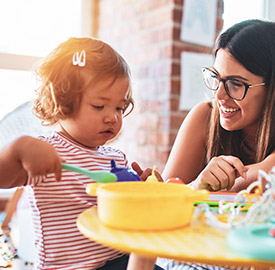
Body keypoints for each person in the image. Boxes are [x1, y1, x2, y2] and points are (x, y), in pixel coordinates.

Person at [0, 37, 161, 270]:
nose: (112, 117)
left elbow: (124, 215)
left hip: (119, 260)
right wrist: (18, 149)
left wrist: (142, 192)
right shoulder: (46, 152)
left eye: (119, 107)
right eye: (99, 106)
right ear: (62, 100)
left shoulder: (116, 159)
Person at [161, 19, 275, 195]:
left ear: (274, 88)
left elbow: (271, 178)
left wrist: (201, 188)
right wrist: (194, 186)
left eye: (235, 83)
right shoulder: (205, 115)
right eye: (216, 78)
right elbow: (165, 197)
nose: (219, 95)